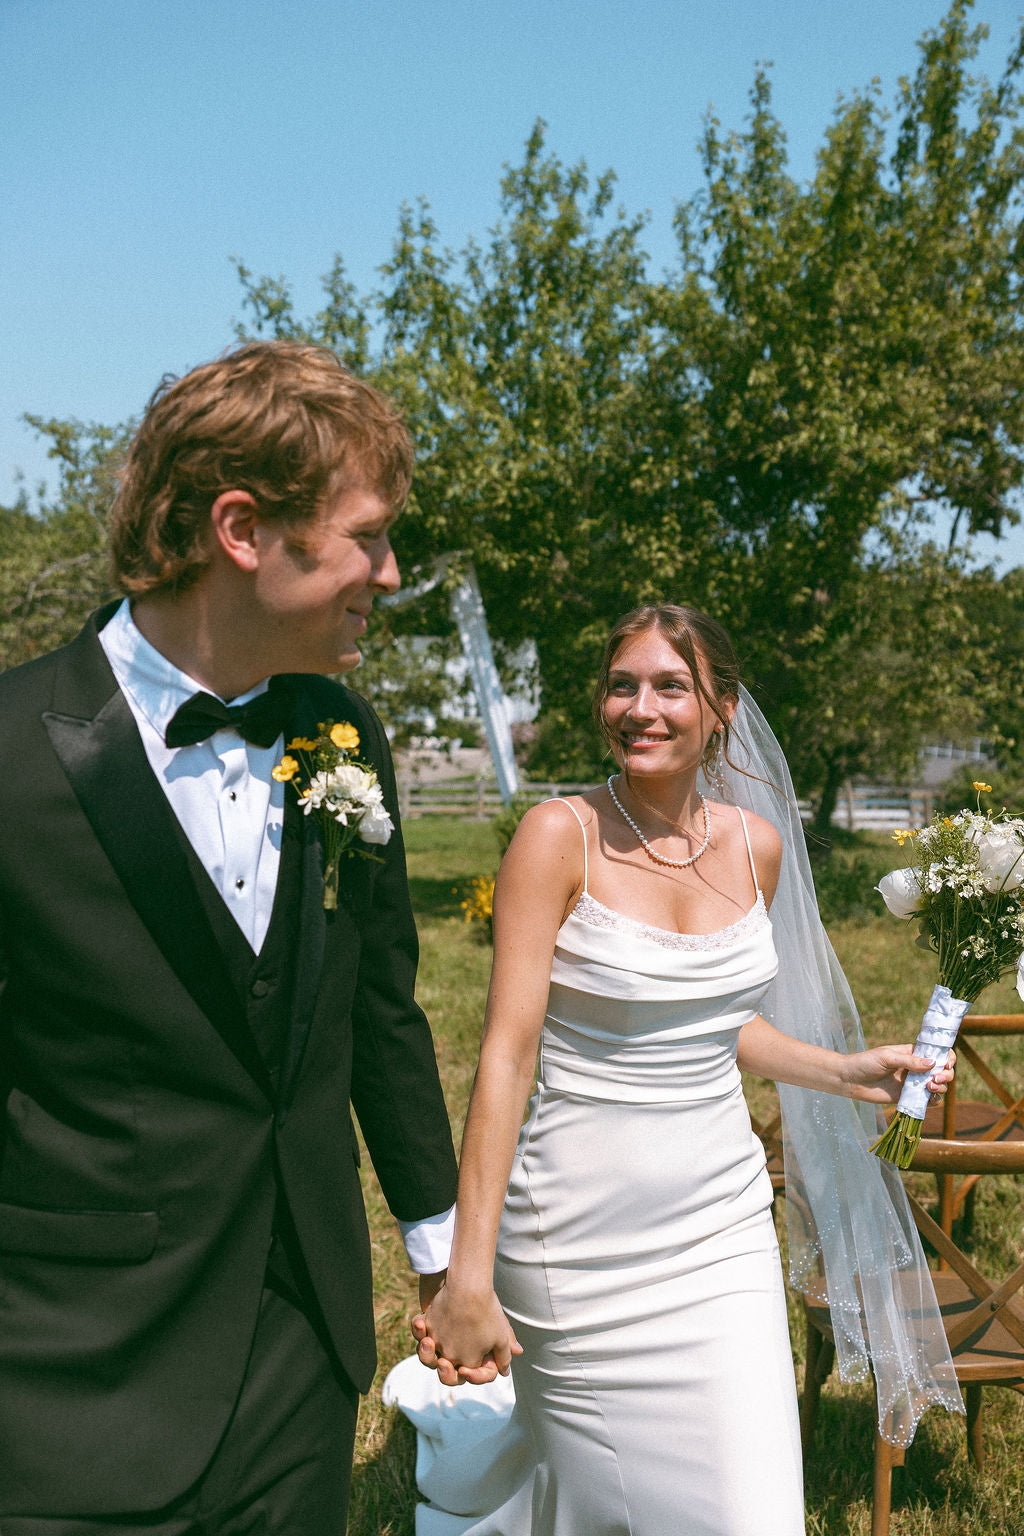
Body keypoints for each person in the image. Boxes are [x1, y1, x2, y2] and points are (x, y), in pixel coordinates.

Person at [0, 340, 459, 1534]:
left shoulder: (344, 734)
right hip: (67, 1368)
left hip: (297, 1363)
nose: (392, 571)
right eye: (368, 536)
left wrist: (442, 1251)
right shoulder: (8, 752)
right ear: (243, 529)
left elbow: (383, 1014)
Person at [399, 604, 960, 1536]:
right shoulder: (557, 835)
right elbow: (504, 1056)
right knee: (606, 1505)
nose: (641, 707)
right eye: (623, 684)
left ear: (721, 709)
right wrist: (468, 1275)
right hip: (577, 1242)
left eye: (670, 686)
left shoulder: (757, 847)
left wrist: (849, 1068)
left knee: (755, 1515)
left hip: (720, 1232)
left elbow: (714, 1024)